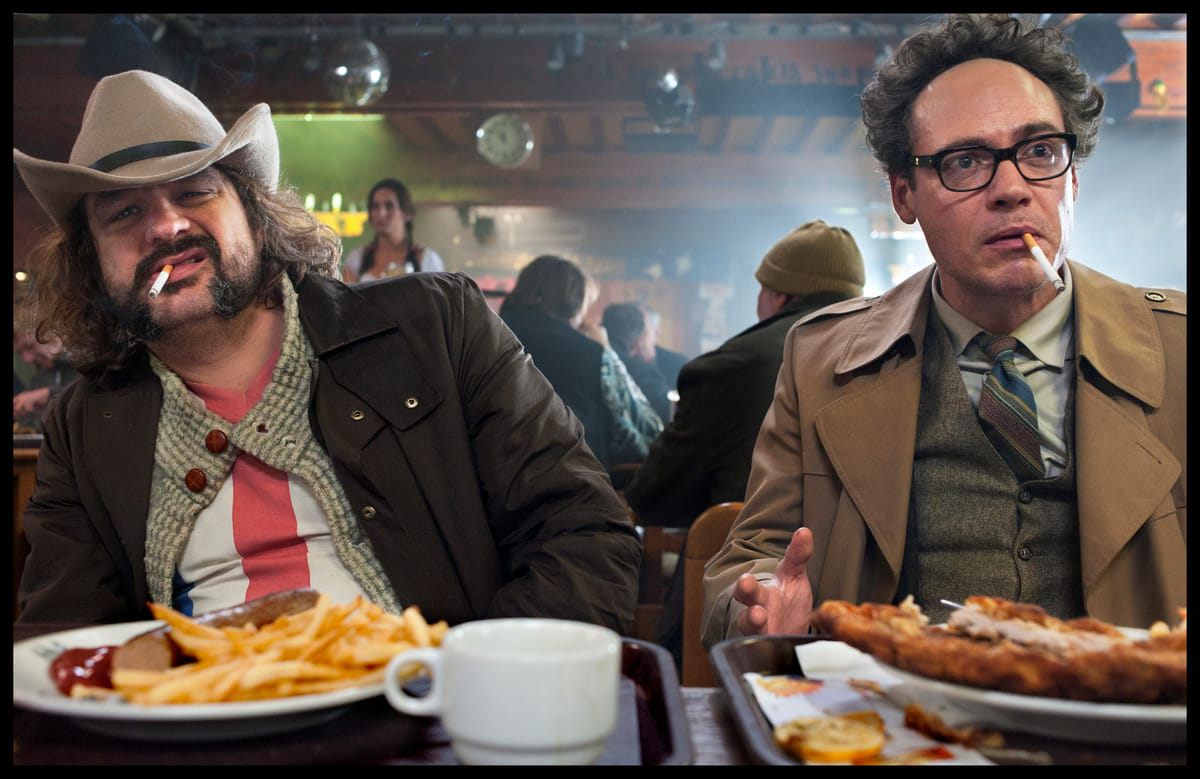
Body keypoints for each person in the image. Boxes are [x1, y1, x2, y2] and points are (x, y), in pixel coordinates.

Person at [12, 69, 641, 633]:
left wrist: (469, 688)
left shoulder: (437, 326)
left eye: (195, 192)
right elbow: (61, 635)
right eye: (123, 213)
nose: (166, 226)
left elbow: (585, 533)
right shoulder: (82, 429)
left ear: (253, 213)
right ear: (92, 262)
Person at [702, 13, 1186, 649]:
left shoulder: (1178, 349)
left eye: (1040, 152)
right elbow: (754, 554)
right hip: (891, 706)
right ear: (903, 195)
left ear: (1072, 176)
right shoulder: (821, 359)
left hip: (1123, 706)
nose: (1012, 189)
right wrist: (759, 605)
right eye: (965, 161)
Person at [625, 221, 866, 668]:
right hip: (862, 618)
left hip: (738, 604)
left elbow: (654, 496)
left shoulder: (728, 366)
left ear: (778, 295)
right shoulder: (892, 359)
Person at [499, 256, 663, 474]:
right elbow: (649, 430)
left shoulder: (487, 337)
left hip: (490, 479)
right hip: (571, 482)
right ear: (572, 305)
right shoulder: (591, 353)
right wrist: (605, 349)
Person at [341, 178, 444, 283]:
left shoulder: (427, 260)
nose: (381, 213)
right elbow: (345, 292)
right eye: (375, 206)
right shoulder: (357, 258)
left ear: (406, 213)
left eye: (389, 206)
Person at [601, 301, 674, 423]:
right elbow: (670, 414)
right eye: (647, 333)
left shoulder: (588, 361)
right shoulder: (645, 375)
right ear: (638, 340)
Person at [13, 327, 79, 433]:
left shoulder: (88, 365)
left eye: (30, 346)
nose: (27, 359)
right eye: (20, 353)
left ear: (53, 333)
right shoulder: (39, 378)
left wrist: (47, 395)